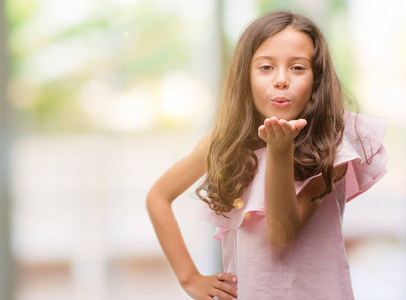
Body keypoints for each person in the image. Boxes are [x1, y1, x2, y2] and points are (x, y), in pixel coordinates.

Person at [146, 11, 387, 300]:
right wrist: (190, 278)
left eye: (298, 68)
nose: (282, 80)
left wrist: (280, 150)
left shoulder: (331, 144)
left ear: (316, 80)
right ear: (245, 77)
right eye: (266, 68)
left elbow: (281, 235)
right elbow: (159, 196)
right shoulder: (226, 141)